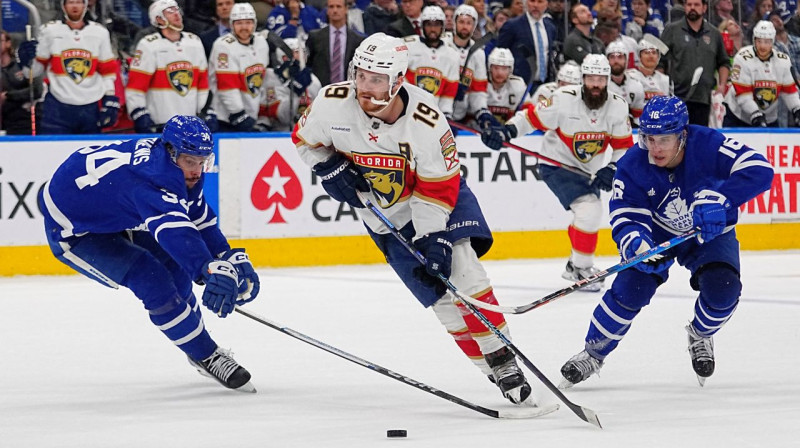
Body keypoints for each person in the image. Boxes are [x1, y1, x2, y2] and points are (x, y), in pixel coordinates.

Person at [292, 33, 537, 406]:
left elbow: (436, 190)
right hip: (383, 219)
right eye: (360, 75)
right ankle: (489, 369)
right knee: (439, 300)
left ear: (397, 81)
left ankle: (503, 359)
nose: (364, 87)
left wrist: (432, 237)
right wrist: (326, 167)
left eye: (376, 79)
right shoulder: (331, 102)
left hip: (436, 200)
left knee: (464, 273)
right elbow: (304, 140)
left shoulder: (426, 120)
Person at [559, 96, 773, 388]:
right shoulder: (633, 163)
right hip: (656, 234)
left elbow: (759, 169)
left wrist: (723, 199)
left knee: (724, 290)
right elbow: (625, 212)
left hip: (708, 233)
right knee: (629, 290)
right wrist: (634, 239)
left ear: (682, 135)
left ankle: (699, 334)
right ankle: (593, 354)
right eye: (649, 138)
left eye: (664, 139)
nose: (655, 148)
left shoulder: (708, 143)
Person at [38, 115, 261, 392]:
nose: (196, 170)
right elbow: (178, 234)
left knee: (175, 268)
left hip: (109, 211)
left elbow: (198, 218)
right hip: (75, 232)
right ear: (170, 151)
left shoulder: (173, 164)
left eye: (202, 161)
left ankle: (195, 343)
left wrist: (226, 255)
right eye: (191, 161)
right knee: (151, 279)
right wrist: (208, 268)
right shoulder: (152, 184)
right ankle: (206, 354)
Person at [483, 55, 633, 291]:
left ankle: (576, 263)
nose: (596, 84)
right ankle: (580, 269)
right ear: (583, 79)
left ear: (607, 80)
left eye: (601, 79)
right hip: (557, 165)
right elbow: (530, 118)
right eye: (591, 78)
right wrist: (507, 131)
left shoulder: (617, 106)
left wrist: (613, 167)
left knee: (588, 214)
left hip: (588, 172)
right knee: (590, 209)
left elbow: (624, 146)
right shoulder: (563, 99)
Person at [16, 0, 119, 134]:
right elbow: (33, 72)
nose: (75, 6)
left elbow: (107, 71)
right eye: (70, 2)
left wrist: (110, 97)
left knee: (88, 152)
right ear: (63, 6)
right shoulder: (49, 31)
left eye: (79, 2)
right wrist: (25, 61)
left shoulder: (99, 32)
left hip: (90, 105)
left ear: (85, 5)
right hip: (57, 105)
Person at [126, 0, 217, 134]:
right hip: (160, 125)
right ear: (159, 19)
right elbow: (136, 87)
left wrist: (205, 110)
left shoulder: (195, 42)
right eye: (170, 12)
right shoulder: (148, 45)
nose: (177, 14)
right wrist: (138, 112)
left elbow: (202, 84)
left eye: (176, 10)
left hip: (190, 125)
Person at [660, 0, 731, 126]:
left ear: (704, 8)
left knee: (699, 140)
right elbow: (660, 61)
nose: (692, 8)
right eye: (689, 4)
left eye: (696, 4)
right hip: (676, 98)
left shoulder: (714, 34)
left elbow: (724, 62)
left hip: (704, 99)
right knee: (677, 140)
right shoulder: (672, 30)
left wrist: (722, 85)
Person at [723, 20, 800, 127]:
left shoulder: (783, 61)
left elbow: (789, 92)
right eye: (759, 41)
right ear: (754, 40)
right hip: (738, 116)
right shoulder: (742, 58)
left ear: (772, 42)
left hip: (769, 117)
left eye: (767, 42)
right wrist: (755, 114)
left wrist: (797, 109)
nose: (762, 46)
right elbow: (742, 95)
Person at [209, 3, 271, 132]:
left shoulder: (261, 43)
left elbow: (261, 80)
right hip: (226, 117)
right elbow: (227, 85)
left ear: (254, 24)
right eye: (239, 23)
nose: (244, 27)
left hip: (250, 114)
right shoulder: (223, 46)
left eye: (248, 22)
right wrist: (238, 114)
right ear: (232, 25)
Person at [444, 5, 494, 133]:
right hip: (437, 115)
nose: (465, 26)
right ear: (454, 23)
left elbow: (478, 89)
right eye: (461, 22)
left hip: (460, 117)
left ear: (474, 26)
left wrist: (482, 111)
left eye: (469, 23)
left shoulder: (478, 53)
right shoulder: (442, 45)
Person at [404, 6, 461, 119]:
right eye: (429, 24)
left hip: (433, 116)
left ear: (443, 26)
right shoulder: (407, 46)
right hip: (406, 110)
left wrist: (446, 115)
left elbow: (448, 93)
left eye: (436, 25)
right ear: (422, 26)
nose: (433, 29)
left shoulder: (452, 55)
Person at [496, 0, 557, 95]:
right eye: (532, 1)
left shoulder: (550, 27)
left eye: (540, 2)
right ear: (526, 3)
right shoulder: (512, 26)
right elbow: (499, 53)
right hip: (519, 86)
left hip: (544, 85)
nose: (535, 5)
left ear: (547, 4)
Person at [262, 37, 321, 130]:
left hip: (305, 135)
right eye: (297, 52)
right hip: (276, 135)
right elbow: (283, 117)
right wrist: (295, 91)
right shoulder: (270, 77)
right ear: (283, 56)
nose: (302, 56)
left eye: (303, 52)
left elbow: (318, 115)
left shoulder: (313, 80)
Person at [306, 0, 365, 87]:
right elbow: (308, 64)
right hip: (321, 91)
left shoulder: (357, 39)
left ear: (346, 9)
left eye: (338, 6)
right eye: (331, 7)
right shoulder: (315, 37)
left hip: (348, 90)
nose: (335, 10)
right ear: (327, 10)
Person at [1, 31, 44, 135]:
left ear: (8, 43)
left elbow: (37, 90)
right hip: (6, 120)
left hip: (26, 119)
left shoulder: (23, 64)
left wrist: (8, 95)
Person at [483, 48, 529, 123]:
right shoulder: (481, 82)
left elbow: (528, 111)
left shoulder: (518, 84)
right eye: (496, 68)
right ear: (490, 68)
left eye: (504, 68)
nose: (499, 73)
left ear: (510, 69)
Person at [606, 41, 646, 125]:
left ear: (626, 60)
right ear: (607, 60)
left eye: (620, 57)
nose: (616, 61)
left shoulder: (636, 86)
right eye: (612, 57)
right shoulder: (602, 85)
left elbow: (638, 117)